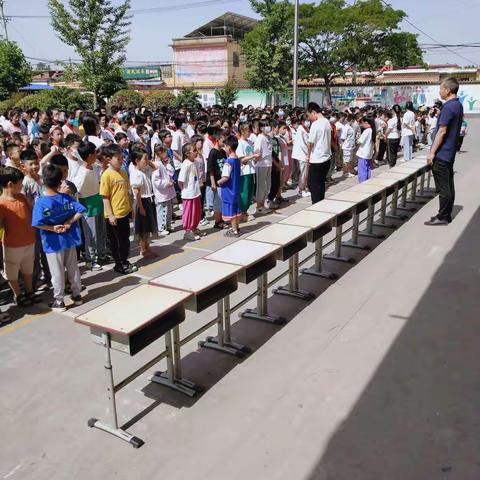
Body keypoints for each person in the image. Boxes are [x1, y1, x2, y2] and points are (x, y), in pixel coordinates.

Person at [32, 163, 86, 312]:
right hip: (69, 238)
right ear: (59, 181)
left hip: (52, 241)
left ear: (44, 181)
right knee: (73, 268)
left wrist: (52, 227)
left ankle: (59, 300)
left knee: (57, 272)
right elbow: (81, 210)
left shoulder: (41, 202)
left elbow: (37, 223)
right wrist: (69, 222)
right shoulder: (66, 198)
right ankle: (77, 295)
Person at [425, 77, 464, 226]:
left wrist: (432, 152)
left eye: (441, 88)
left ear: (447, 90)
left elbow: (442, 131)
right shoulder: (458, 105)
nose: (439, 91)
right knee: (448, 184)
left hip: (442, 153)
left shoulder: (448, 107)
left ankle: (443, 216)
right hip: (449, 152)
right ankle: (445, 214)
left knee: (443, 187)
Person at [0, 167, 37, 307]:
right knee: (12, 271)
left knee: (28, 268)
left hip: (29, 241)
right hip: (12, 245)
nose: (22, 185)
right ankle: (18, 294)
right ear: (10, 184)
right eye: (20, 183)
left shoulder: (22, 197)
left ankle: (29, 291)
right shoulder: (2, 204)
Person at [99, 144, 137, 274]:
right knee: (116, 242)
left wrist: (130, 208)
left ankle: (125, 260)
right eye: (118, 159)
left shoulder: (123, 172)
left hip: (124, 212)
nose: (121, 161)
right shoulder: (107, 175)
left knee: (125, 240)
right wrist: (110, 215)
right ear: (109, 159)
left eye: (122, 158)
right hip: (114, 215)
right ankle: (118, 264)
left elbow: (127, 192)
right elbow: (105, 197)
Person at [74, 141, 106, 270]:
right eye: (94, 153)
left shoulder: (94, 167)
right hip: (88, 205)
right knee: (91, 235)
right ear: (89, 156)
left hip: (98, 201)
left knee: (101, 231)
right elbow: (77, 190)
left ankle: (101, 254)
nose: (97, 155)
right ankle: (90, 259)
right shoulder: (82, 173)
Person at [130, 148, 158, 258]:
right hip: (142, 202)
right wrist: (140, 207)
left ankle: (148, 247)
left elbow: (155, 167)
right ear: (137, 161)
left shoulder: (143, 171)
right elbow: (137, 193)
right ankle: (143, 249)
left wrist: (147, 160)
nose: (147, 162)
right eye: (144, 159)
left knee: (148, 227)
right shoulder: (136, 173)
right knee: (143, 228)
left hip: (148, 200)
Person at [305, 103, 331, 204]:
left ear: (313, 112)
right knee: (320, 184)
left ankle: (316, 206)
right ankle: (320, 204)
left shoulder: (316, 124)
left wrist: (308, 156)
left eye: (309, 115)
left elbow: (310, 143)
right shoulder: (327, 122)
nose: (309, 118)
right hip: (326, 158)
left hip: (317, 159)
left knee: (312, 185)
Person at [218, 135, 242, 237]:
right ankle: (237, 227)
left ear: (229, 147)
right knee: (236, 209)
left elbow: (226, 177)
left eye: (225, 146)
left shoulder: (228, 162)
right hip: (236, 189)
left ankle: (234, 230)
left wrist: (219, 182)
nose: (224, 148)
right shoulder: (237, 160)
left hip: (229, 190)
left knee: (231, 211)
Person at [178, 143, 202, 241]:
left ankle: (194, 228)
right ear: (187, 153)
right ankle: (188, 231)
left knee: (197, 212)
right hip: (188, 194)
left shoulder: (195, 162)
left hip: (196, 192)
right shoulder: (185, 164)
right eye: (194, 150)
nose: (196, 152)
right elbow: (181, 181)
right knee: (189, 213)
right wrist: (184, 191)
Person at [152, 145, 176, 236]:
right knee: (162, 211)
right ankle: (161, 228)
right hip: (162, 194)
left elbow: (169, 173)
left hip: (168, 193)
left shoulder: (163, 163)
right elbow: (156, 181)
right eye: (165, 152)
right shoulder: (156, 165)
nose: (166, 154)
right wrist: (167, 183)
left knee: (169, 211)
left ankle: (168, 225)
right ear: (160, 153)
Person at [236, 123, 256, 221]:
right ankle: (242, 213)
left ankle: (245, 211)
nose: (249, 132)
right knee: (244, 193)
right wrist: (253, 156)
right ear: (242, 131)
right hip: (244, 172)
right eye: (248, 130)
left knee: (250, 192)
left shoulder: (250, 142)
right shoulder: (240, 143)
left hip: (251, 170)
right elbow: (242, 159)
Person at [253, 120, 274, 212]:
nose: (267, 127)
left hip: (269, 163)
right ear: (261, 128)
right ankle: (259, 206)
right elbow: (257, 152)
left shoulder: (268, 137)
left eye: (268, 125)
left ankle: (264, 203)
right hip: (261, 165)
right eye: (265, 126)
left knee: (268, 185)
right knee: (261, 186)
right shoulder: (260, 138)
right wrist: (258, 159)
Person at [292, 114, 310, 197]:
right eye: (306, 121)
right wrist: (308, 153)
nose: (308, 122)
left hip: (305, 153)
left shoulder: (306, 129)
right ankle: (301, 190)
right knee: (303, 172)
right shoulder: (301, 130)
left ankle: (304, 188)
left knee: (305, 172)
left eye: (309, 121)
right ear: (302, 121)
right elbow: (303, 144)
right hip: (302, 154)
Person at [356, 116, 376, 183]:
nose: (362, 124)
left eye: (362, 123)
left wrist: (357, 140)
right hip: (368, 153)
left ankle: (362, 183)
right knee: (367, 169)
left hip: (363, 154)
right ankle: (367, 182)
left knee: (362, 170)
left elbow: (360, 141)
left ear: (366, 122)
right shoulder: (372, 130)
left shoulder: (367, 131)